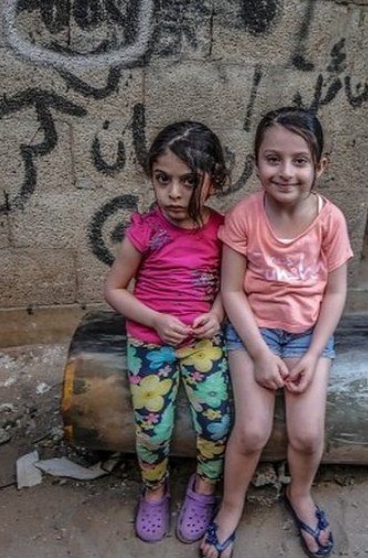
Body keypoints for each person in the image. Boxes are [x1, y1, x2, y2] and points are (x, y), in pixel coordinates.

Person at [200, 107, 353, 558]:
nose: (286, 172)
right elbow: (231, 291)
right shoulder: (244, 217)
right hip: (254, 333)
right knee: (251, 431)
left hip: (308, 336)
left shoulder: (331, 220)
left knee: (306, 435)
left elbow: (336, 294)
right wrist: (261, 355)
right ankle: (231, 506)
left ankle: (300, 494)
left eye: (300, 161)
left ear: (320, 166)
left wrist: (312, 355)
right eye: (273, 159)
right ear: (256, 162)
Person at [104, 121, 232, 544]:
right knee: (153, 430)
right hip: (149, 344)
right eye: (163, 179)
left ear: (214, 181)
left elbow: (233, 288)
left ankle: (204, 488)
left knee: (216, 426)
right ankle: (155, 491)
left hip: (202, 345)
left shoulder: (224, 231)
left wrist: (217, 315)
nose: (174, 194)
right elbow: (114, 290)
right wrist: (156, 320)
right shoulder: (146, 230)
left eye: (189, 181)